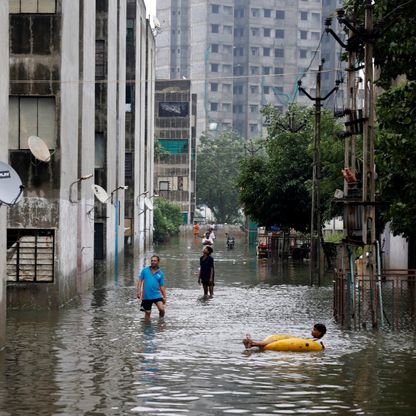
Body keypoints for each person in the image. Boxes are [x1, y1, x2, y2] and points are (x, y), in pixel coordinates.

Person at [243, 323, 327, 350]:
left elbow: (320, 347)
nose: (312, 331)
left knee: (274, 342)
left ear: (319, 333)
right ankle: (252, 344)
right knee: (274, 341)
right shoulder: (313, 339)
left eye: (314, 330)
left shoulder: (318, 341)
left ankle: (253, 343)